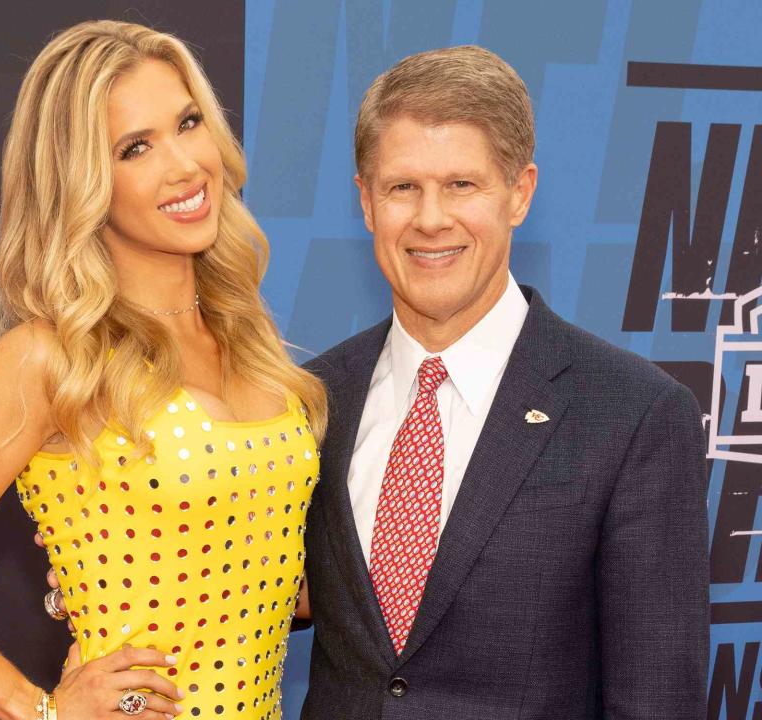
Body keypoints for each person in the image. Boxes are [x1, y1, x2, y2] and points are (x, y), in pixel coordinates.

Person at [0, 20, 325, 720]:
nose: (185, 164)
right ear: (83, 181)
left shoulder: (246, 337)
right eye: (135, 148)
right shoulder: (51, 359)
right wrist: (39, 709)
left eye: (188, 123)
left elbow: (270, 580)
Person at [296, 46, 709, 719]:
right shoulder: (310, 399)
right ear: (366, 201)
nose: (431, 219)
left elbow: (658, 699)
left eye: (462, 185)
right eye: (403, 187)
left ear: (519, 193)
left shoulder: (633, 416)